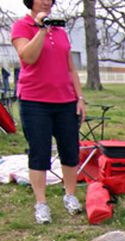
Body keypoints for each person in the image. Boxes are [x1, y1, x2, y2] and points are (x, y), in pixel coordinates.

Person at [12, 0, 85, 224]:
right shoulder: (22, 26)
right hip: (35, 102)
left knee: (70, 150)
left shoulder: (61, 30)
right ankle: (41, 203)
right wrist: (41, 30)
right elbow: (28, 56)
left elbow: (70, 67)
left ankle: (70, 195)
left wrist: (80, 98)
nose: (46, 1)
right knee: (40, 152)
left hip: (65, 100)